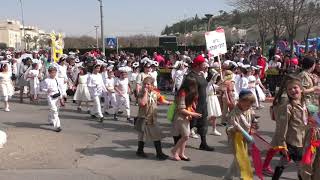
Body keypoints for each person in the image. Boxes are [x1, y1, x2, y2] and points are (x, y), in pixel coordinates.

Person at [271, 79, 308, 180]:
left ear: (301, 89)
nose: (292, 90)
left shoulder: (305, 104)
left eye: (295, 88)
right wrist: (282, 144)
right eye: (289, 89)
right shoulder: (288, 107)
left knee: (283, 162)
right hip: (293, 142)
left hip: (302, 141)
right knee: (301, 166)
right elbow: (282, 127)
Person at [135, 77, 172, 160]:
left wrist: (170, 103)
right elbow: (143, 103)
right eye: (144, 84)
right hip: (144, 117)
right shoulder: (141, 93)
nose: (146, 85)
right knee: (156, 135)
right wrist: (145, 93)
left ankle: (139, 150)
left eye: (148, 84)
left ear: (152, 85)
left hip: (152, 117)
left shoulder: (155, 93)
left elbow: (161, 100)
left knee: (142, 135)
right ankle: (159, 153)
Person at [223, 89, 257, 180]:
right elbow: (228, 129)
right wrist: (235, 129)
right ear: (240, 101)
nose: (248, 106)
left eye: (250, 104)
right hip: (236, 141)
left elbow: (254, 121)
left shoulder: (249, 110)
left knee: (237, 160)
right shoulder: (233, 113)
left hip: (246, 138)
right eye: (246, 104)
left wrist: (253, 129)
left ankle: (227, 177)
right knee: (241, 161)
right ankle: (243, 178)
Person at [185, 55, 214, 151]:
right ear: (197, 65)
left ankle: (203, 143)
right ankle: (178, 143)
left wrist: (210, 73)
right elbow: (188, 92)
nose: (205, 65)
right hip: (194, 105)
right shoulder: (191, 76)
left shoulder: (201, 74)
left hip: (202, 104)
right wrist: (191, 105)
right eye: (203, 63)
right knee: (189, 125)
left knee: (203, 125)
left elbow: (205, 85)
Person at [171, 77, 201, 161]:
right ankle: (174, 151)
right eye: (192, 85)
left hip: (185, 116)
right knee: (185, 136)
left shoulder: (187, 92)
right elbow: (181, 109)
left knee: (185, 136)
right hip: (180, 117)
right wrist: (193, 113)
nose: (194, 87)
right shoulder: (182, 93)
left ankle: (181, 153)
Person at [41, 66, 62, 132]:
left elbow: (60, 88)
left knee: (56, 110)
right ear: (49, 73)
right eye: (52, 72)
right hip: (50, 96)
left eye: (55, 72)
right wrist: (46, 90)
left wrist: (62, 97)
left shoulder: (57, 79)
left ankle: (50, 120)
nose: (54, 74)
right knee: (54, 110)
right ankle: (57, 126)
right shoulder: (46, 80)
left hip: (57, 96)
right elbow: (42, 88)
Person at [206, 69, 222, 136]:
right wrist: (217, 73)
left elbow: (220, 87)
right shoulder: (208, 84)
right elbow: (214, 79)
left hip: (214, 99)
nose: (215, 80)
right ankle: (194, 128)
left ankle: (214, 129)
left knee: (214, 116)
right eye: (214, 78)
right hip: (209, 100)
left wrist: (222, 82)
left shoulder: (212, 85)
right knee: (208, 116)